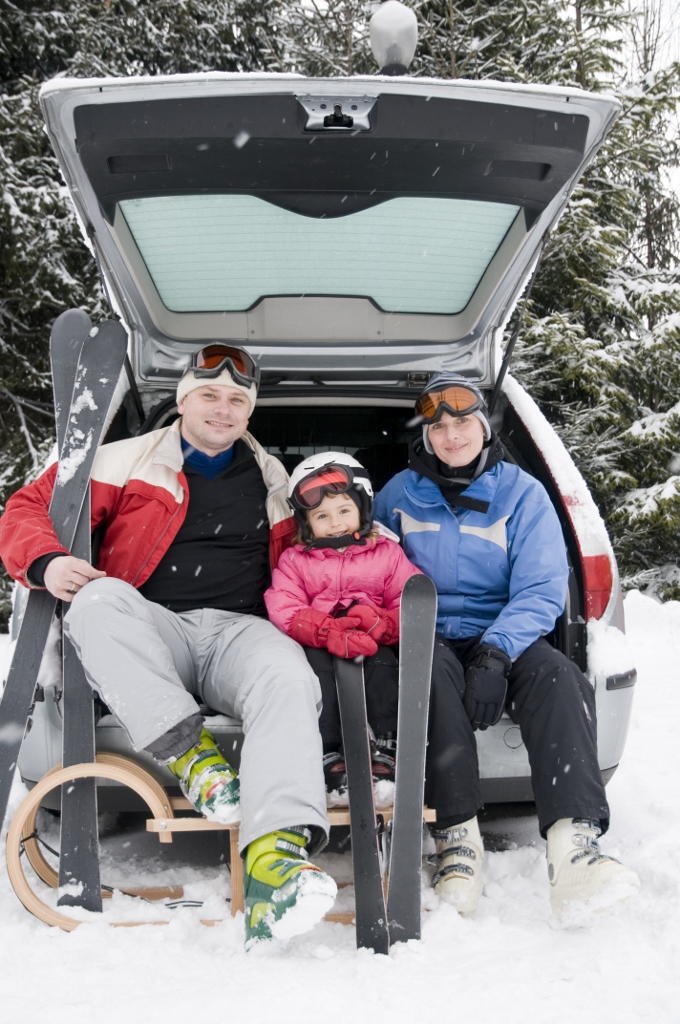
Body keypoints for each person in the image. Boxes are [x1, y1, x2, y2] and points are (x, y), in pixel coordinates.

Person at [0, 343, 337, 948]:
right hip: (155, 623)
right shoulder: (121, 460)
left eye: (238, 399)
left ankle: (275, 865)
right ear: (183, 400)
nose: (223, 408)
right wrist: (46, 562)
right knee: (97, 602)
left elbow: (341, 538)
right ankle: (197, 763)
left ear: (249, 411)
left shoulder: (278, 480)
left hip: (241, 630)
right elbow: (26, 507)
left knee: (288, 677)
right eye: (209, 394)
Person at [374, 371, 640, 917]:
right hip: (430, 634)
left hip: (507, 630)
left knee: (559, 676)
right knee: (431, 679)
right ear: (424, 436)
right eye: (440, 426)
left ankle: (574, 851)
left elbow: (543, 587)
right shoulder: (396, 496)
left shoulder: (523, 493)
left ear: (484, 427)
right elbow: (372, 571)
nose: (452, 436)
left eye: (463, 422)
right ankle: (458, 839)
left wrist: (497, 651)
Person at [264, 452, 421, 801]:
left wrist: (382, 625)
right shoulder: (295, 559)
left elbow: (408, 602)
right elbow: (284, 604)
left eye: (344, 511)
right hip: (320, 641)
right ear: (306, 523)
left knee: (384, 667)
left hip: (372, 641)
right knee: (315, 675)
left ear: (363, 511)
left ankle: (387, 743)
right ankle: (328, 748)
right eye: (322, 516)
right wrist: (322, 630)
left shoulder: (387, 553)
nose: (335, 523)